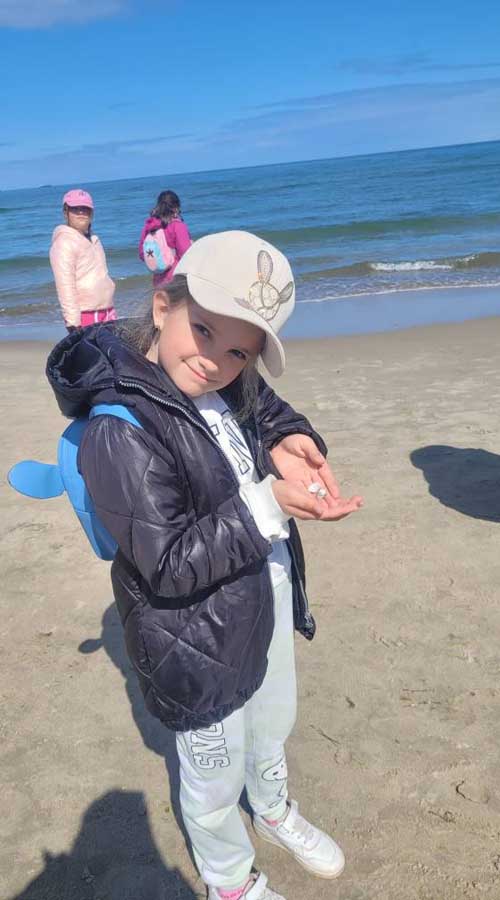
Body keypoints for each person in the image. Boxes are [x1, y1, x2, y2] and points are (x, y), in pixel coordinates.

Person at [46, 231, 363, 900]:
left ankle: (272, 808)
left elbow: (261, 405)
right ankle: (229, 879)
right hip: (192, 640)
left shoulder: (228, 377)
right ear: (165, 305)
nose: (217, 360)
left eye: (240, 350)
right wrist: (266, 504)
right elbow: (166, 563)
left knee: (272, 724)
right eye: (205, 331)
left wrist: (289, 437)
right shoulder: (120, 427)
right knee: (213, 775)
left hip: (264, 594)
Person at [49, 189, 117, 331]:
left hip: (107, 311)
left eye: (85, 208)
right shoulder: (64, 243)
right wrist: (73, 323)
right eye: (75, 208)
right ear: (66, 212)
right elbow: (65, 285)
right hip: (85, 315)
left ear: (91, 213)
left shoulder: (94, 239)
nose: (81, 212)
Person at [138, 189, 191, 285]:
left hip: (158, 281)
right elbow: (186, 254)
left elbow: (142, 254)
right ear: (176, 208)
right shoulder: (177, 226)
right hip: (176, 280)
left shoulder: (149, 226)